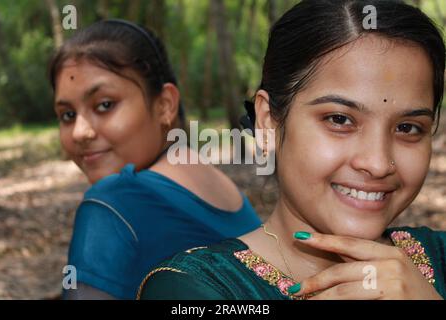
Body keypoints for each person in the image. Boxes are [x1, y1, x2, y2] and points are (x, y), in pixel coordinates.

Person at [139, 0, 446, 300]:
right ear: (268, 122)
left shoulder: (440, 257)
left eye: (408, 128)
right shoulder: (194, 288)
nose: (378, 163)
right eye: (339, 120)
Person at [49, 19, 262, 299]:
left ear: (165, 105)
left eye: (104, 105)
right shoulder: (225, 190)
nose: (80, 132)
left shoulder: (112, 203)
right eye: (68, 115)